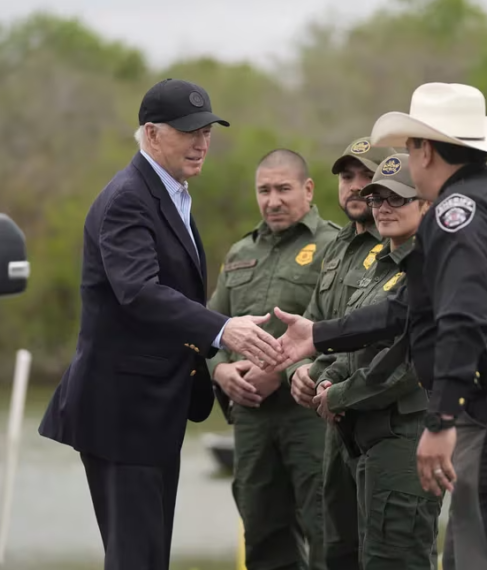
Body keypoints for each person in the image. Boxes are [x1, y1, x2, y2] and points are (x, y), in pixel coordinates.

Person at [269, 82, 487, 570]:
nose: (407, 160)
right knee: (469, 558)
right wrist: (317, 335)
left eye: (409, 147)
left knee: (485, 560)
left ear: (426, 150)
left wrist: (440, 420)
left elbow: (462, 318)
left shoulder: (459, 212)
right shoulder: (485, 197)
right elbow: (407, 308)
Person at [37, 78, 282, 570]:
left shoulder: (171, 194)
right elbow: (140, 293)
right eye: (189, 131)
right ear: (151, 134)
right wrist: (222, 330)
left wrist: (211, 365)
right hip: (122, 414)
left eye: (207, 130)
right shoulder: (128, 197)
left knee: (147, 557)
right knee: (136, 559)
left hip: (151, 412)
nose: (201, 142)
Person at [206, 149, 340, 570]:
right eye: (264, 190)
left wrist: (278, 373)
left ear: (308, 189)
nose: (273, 200)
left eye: (283, 189)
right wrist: (221, 370)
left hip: (310, 416)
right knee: (262, 532)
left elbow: (342, 328)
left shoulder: (334, 245)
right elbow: (210, 326)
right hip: (252, 420)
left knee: (327, 530)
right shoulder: (241, 250)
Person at [312, 153, 443, 569]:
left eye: (397, 198)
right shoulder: (378, 265)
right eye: (376, 198)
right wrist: (327, 379)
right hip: (365, 441)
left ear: (426, 204)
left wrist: (341, 396)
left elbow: (406, 364)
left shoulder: (432, 268)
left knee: (397, 558)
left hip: (407, 439)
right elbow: (355, 341)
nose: (383, 207)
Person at [286, 136, 393, 570]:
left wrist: (334, 384)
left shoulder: (397, 246)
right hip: (334, 426)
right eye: (347, 177)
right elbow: (312, 325)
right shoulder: (337, 249)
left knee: (388, 551)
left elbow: (387, 341)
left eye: (367, 177)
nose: (354, 187)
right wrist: (300, 371)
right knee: (338, 551)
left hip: (383, 421)